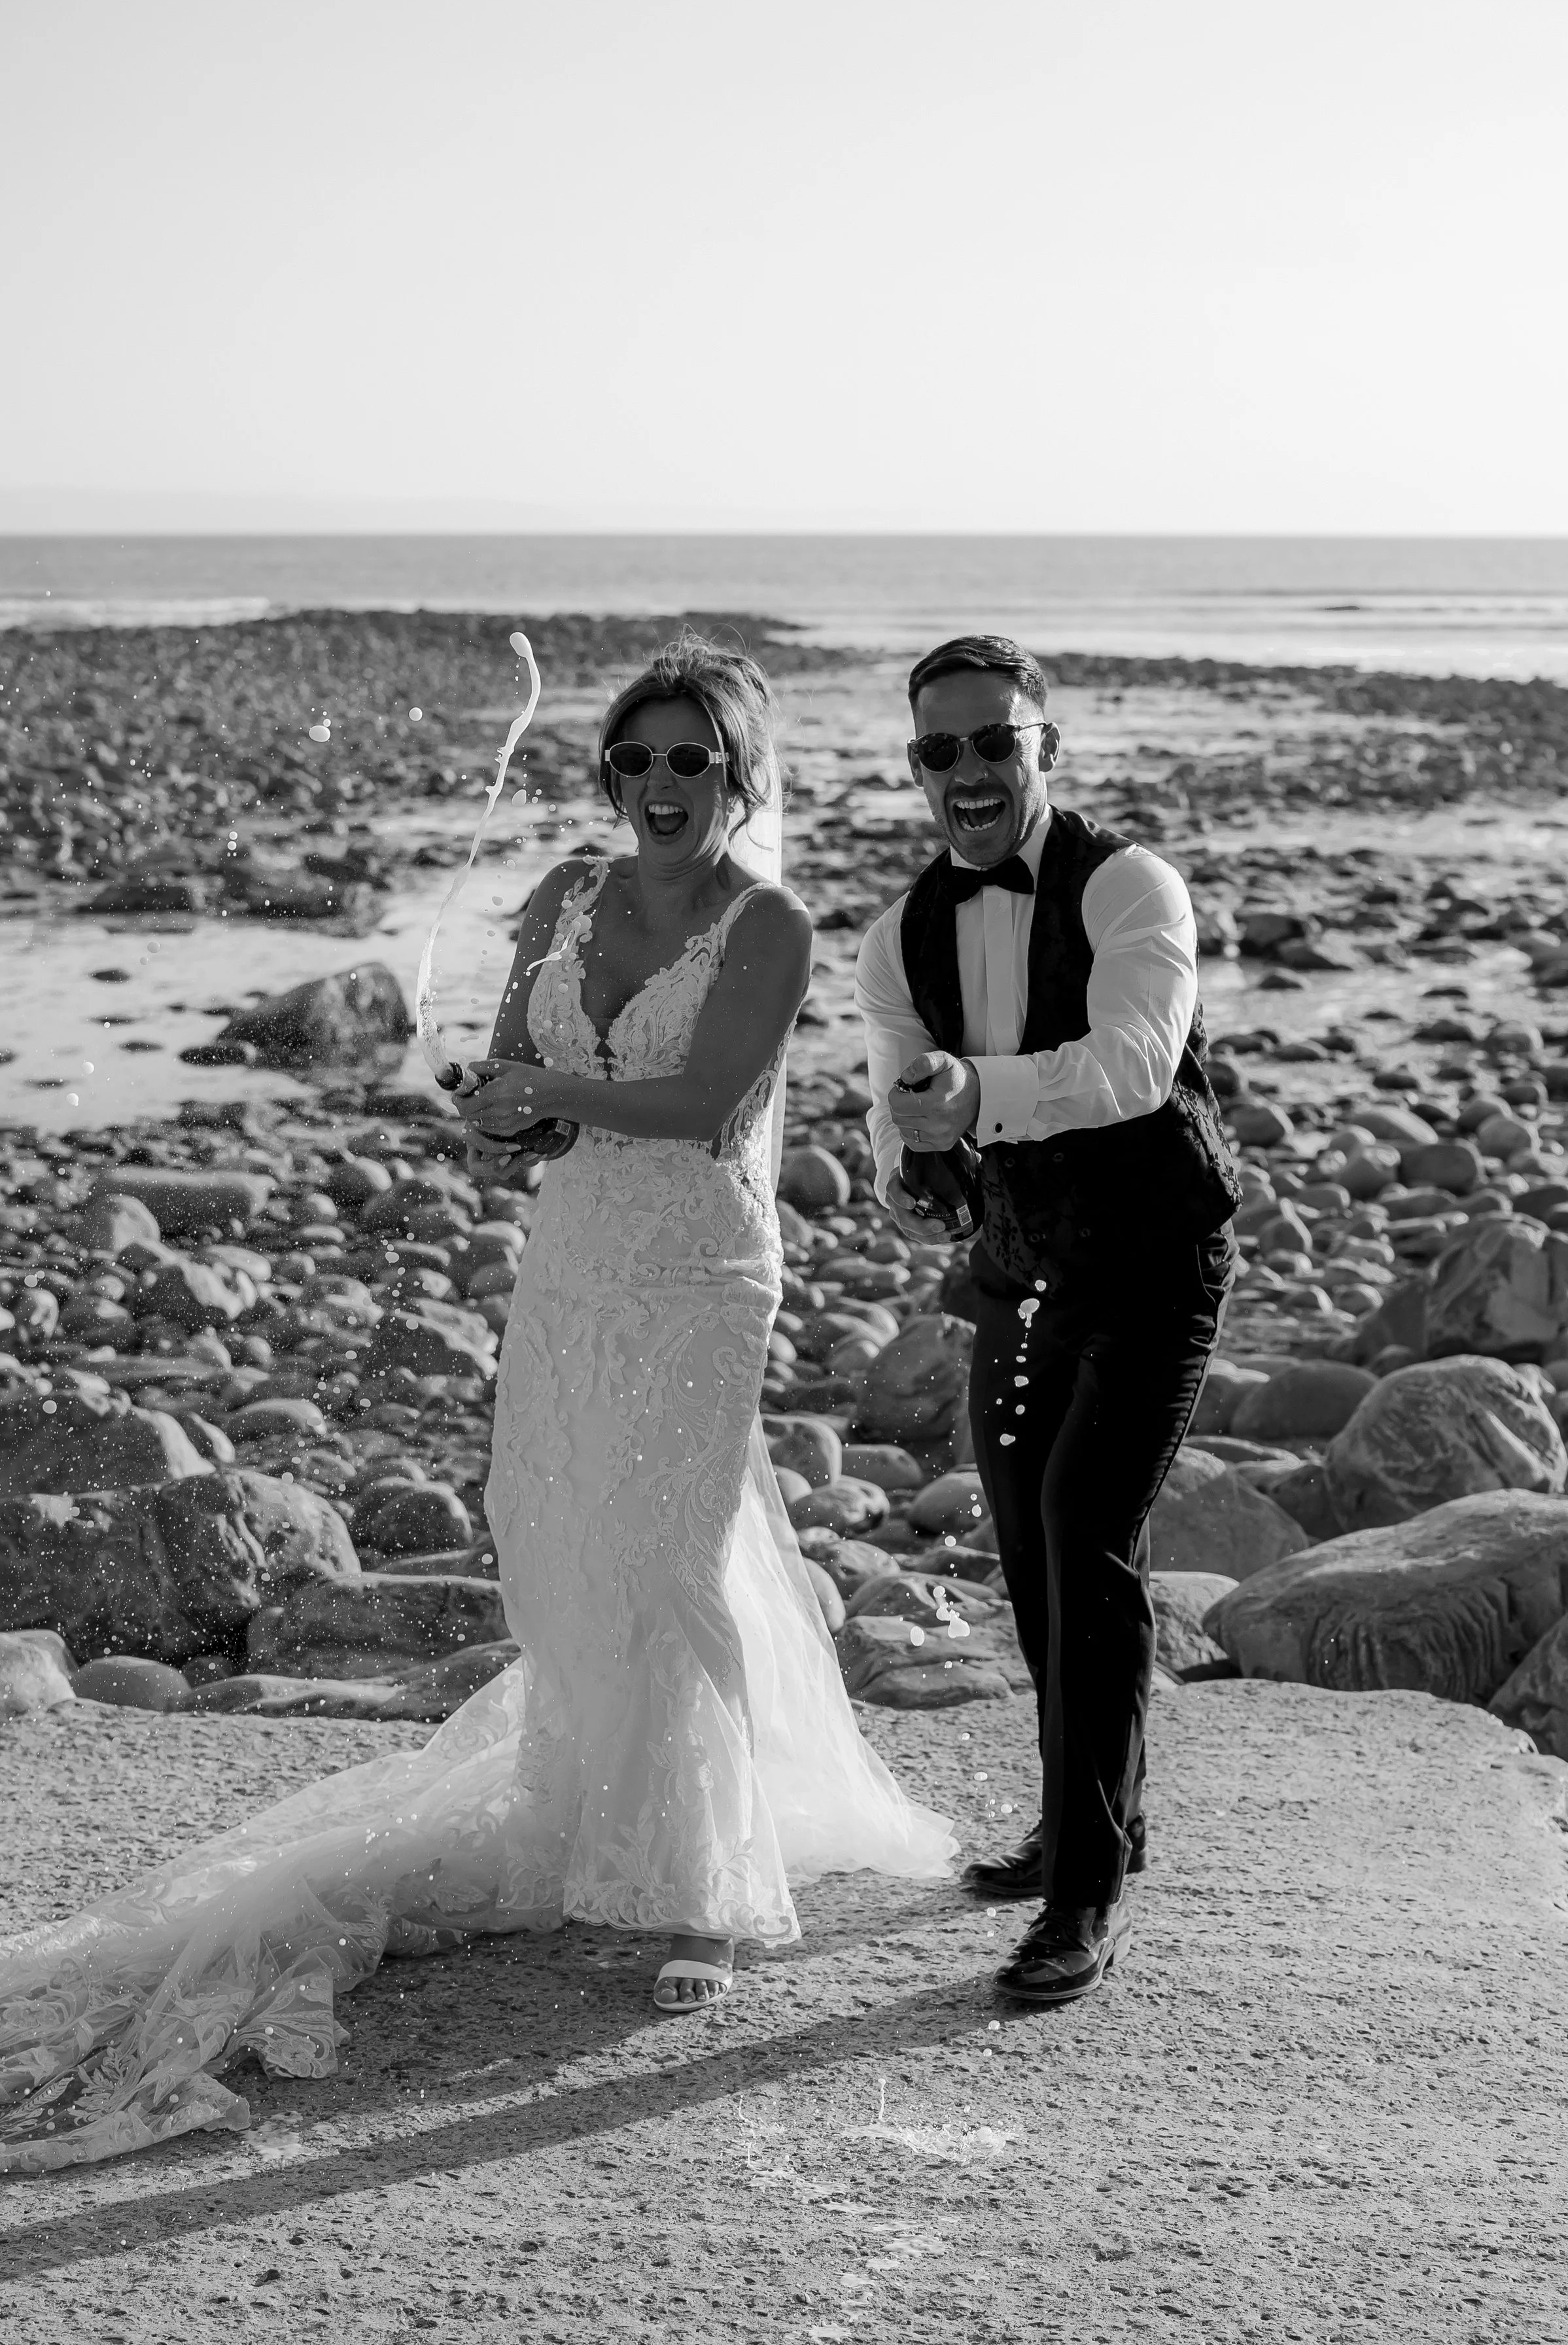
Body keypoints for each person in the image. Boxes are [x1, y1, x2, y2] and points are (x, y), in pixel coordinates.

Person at [0, 634, 953, 2177]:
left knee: (671, 1554)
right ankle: (596, 1817)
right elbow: (515, 1072)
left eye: (690, 759)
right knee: (552, 1536)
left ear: (739, 772)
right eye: (633, 760)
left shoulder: (766, 925)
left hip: (700, 1277)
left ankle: (702, 1879)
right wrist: (496, 1116)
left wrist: (553, 1099)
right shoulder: (562, 901)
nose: (657, 785)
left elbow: (711, 1105)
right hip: (572, 1263)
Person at [854, 633, 1240, 2007]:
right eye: (938, 750)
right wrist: (908, 1162)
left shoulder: (1131, 885)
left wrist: (976, 1100)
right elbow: (898, 1108)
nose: (966, 769)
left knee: (1084, 1540)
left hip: (1152, 1263)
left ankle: (1085, 1894)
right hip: (1020, 1275)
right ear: (917, 767)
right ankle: (1096, 1818)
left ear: (1043, 749)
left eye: (992, 742)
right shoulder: (896, 935)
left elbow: (1135, 1067)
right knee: (1027, 1549)